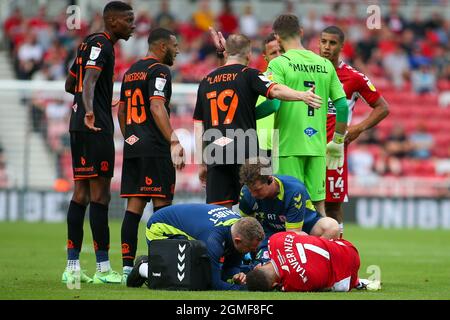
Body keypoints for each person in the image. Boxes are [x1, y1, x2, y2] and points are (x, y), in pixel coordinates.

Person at [193, 33, 323, 209]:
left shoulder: (206, 81)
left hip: (216, 152)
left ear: (228, 53)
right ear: (249, 55)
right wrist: (302, 95)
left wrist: (202, 162)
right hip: (246, 152)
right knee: (256, 208)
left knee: (219, 213)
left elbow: (198, 125)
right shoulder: (249, 74)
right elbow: (275, 91)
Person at [62, 1, 135, 285]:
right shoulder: (104, 44)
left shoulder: (87, 43)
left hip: (77, 125)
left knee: (80, 194)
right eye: (128, 20)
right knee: (100, 196)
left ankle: (72, 268)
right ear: (113, 21)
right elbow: (89, 80)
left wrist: (100, 100)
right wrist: (93, 109)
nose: (133, 25)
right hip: (95, 125)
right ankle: (103, 270)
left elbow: (71, 85)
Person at [118, 28, 185, 283]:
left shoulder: (131, 71)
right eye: (174, 45)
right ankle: (162, 267)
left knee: (132, 210)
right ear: (162, 46)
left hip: (134, 148)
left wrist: (131, 138)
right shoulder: (160, 71)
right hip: (155, 150)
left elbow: (122, 112)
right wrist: (174, 139)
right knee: (162, 212)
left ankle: (126, 269)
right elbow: (156, 105)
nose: (178, 50)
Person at [267, 14, 349, 216]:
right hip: (317, 146)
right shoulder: (325, 64)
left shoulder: (279, 64)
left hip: (288, 146)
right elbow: (342, 106)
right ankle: (322, 247)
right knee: (319, 207)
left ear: (277, 38)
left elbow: (273, 104)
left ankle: (291, 248)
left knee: (290, 205)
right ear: (301, 32)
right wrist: (337, 141)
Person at [319, 26, 389, 237]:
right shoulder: (310, 70)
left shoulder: (353, 77)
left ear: (341, 46)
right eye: (323, 42)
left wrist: (358, 128)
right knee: (303, 203)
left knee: (332, 206)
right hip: (306, 147)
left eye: (332, 43)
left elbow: (383, 107)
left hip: (335, 151)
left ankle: (339, 255)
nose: (326, 47)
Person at [125, 203, 265, 290]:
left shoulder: (238, 228)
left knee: (205, 270)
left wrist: (235, 275)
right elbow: (214, 284)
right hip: (159, 229)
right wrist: (247, 289)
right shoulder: (213, 239)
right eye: (250, 248)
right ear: (238, 240)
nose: (252, 252)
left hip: (184, 227)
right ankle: (144, 267)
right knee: (190, 279)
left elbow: (230, 267)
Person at [238, 159, 339, 264]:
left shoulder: (294, 190)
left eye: (257, 190)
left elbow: (291, 237)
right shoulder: (246, 193)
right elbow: (247, 227)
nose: (253, 194)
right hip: (269, 234)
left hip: (302, 229)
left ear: (270, 179)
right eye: (250, 190)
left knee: (332, 227)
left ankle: (313, 263)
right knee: (266, 269)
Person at [246, 232, 381, 292]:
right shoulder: (274, 241)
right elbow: (302, 234)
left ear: (274, 284)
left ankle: (357, 282)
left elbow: (320, 287)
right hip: (346, 246)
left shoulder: (292, 283)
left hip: (347, 276)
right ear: (260, 265)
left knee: (331, 287)